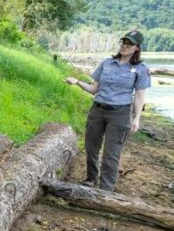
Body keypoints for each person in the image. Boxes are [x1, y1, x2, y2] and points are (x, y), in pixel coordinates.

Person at [63, 30, 151, 192]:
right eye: (123, 42)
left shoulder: (141, 69)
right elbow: (94, 89)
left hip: (120, 114)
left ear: (137, 48)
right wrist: (77, 82)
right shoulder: (107, 63)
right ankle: (91, 179)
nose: (125, 46)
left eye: (129, 44)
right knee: (91, 147)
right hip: (97, 110)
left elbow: (139, 95)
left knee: (111, 153)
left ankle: (105, 190)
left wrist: (137, 118)